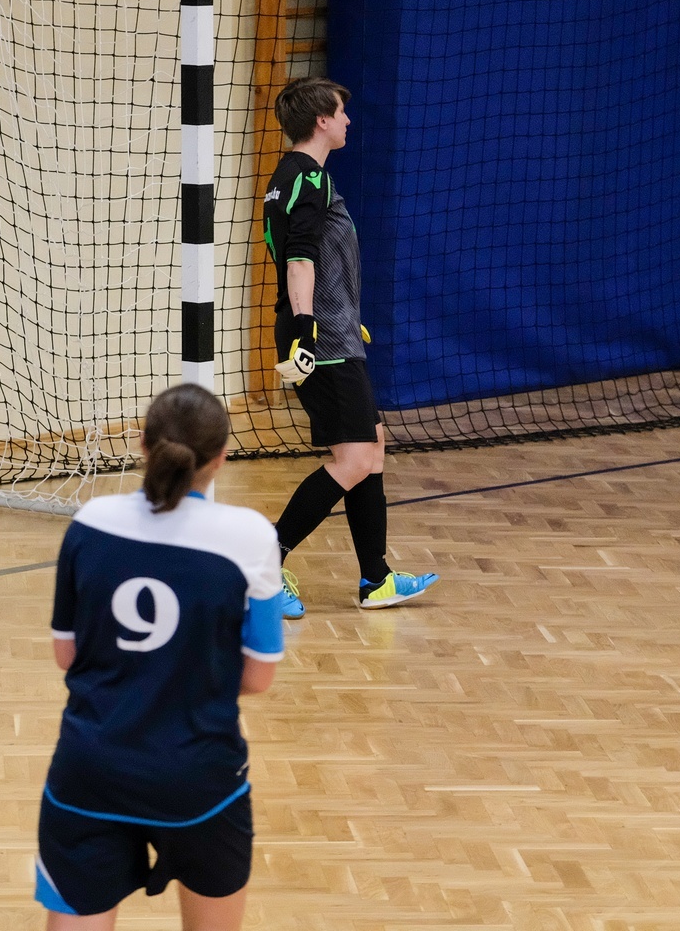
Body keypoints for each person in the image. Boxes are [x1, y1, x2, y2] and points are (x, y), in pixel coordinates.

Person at [34, 383, 284, 930]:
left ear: (143, 446)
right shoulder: (251, 537)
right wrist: (188, 675)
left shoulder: (90, 522)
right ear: (221, 458)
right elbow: (258, 677)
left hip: (90, 769)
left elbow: (66, 654)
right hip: (199, 777)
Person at [261, 76, 439, 619]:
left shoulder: (292, 177)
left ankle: (376, 579)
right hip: (323, 339)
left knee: (373, 447)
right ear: (321, 120)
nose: (348, 121)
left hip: (335, 332)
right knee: (357, 457)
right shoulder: (307, 176)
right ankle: (264, 562)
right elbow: (298, 259)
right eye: (341, 112)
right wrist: (306, 327)